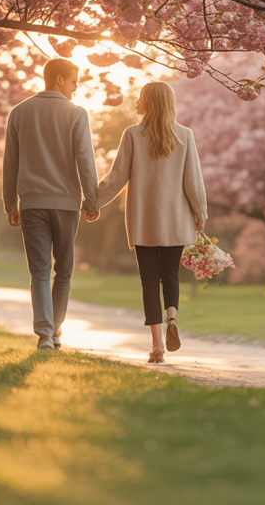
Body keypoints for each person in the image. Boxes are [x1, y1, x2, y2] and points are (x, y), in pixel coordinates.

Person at [96, 81, 207, 363]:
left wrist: (92, 201)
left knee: (148, 281)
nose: (136, 103)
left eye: (140, 98)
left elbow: (117, 176)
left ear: (148, 102)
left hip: (144, 220)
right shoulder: (185, 135)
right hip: (176, 220)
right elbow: (193, 180)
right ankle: (172, 319)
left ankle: (157, 345)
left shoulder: (133, 135)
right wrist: (200, 212)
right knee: (170, 275)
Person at [3, 58, 100, 350]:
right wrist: (91, 200)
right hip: (67, 205)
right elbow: (85, 159)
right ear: (59, 79)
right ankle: (55, 331)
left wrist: (11, 203)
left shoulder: (19, 113)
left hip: (31, 203)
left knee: (40, 271)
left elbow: (10, 162)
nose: (76, 86)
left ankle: (45, 334)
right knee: (64, 272)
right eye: (73, 80)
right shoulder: (76, 114)